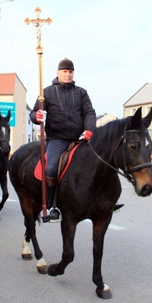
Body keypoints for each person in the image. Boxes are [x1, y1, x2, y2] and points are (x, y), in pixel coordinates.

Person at [30, 58, 97, 223]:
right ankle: (54, 206)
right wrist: (37, 116)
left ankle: (104, 201)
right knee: (51, 167)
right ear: (58, 73)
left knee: (100, 162)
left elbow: (89, 112)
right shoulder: (46, 92)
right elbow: (34, 113)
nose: (68, 74)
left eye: (70, 72)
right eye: (65, 72)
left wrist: (89, 129)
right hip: (57, 138)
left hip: (79, 137)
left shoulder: (81, 92)